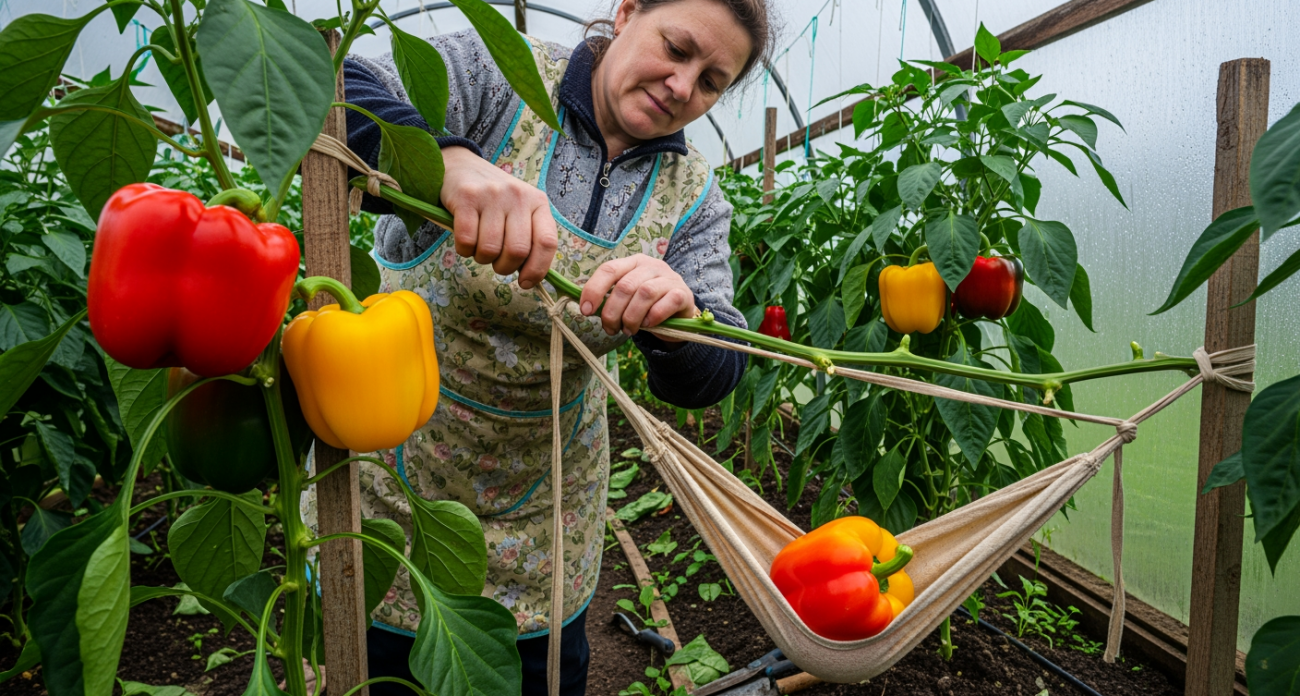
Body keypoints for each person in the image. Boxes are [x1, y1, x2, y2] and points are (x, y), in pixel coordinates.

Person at [312, 0, 774, 693]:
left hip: (547, 507)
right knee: (383, 673)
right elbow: (334, 85)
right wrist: (446, 159)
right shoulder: (501, 75)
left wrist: (677, 313)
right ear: (624, 14)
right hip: (396, 475)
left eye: (711, 81)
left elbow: (718, 365)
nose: (684, 86)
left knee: (538, 674)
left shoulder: (694, 194)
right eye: (676, 49)